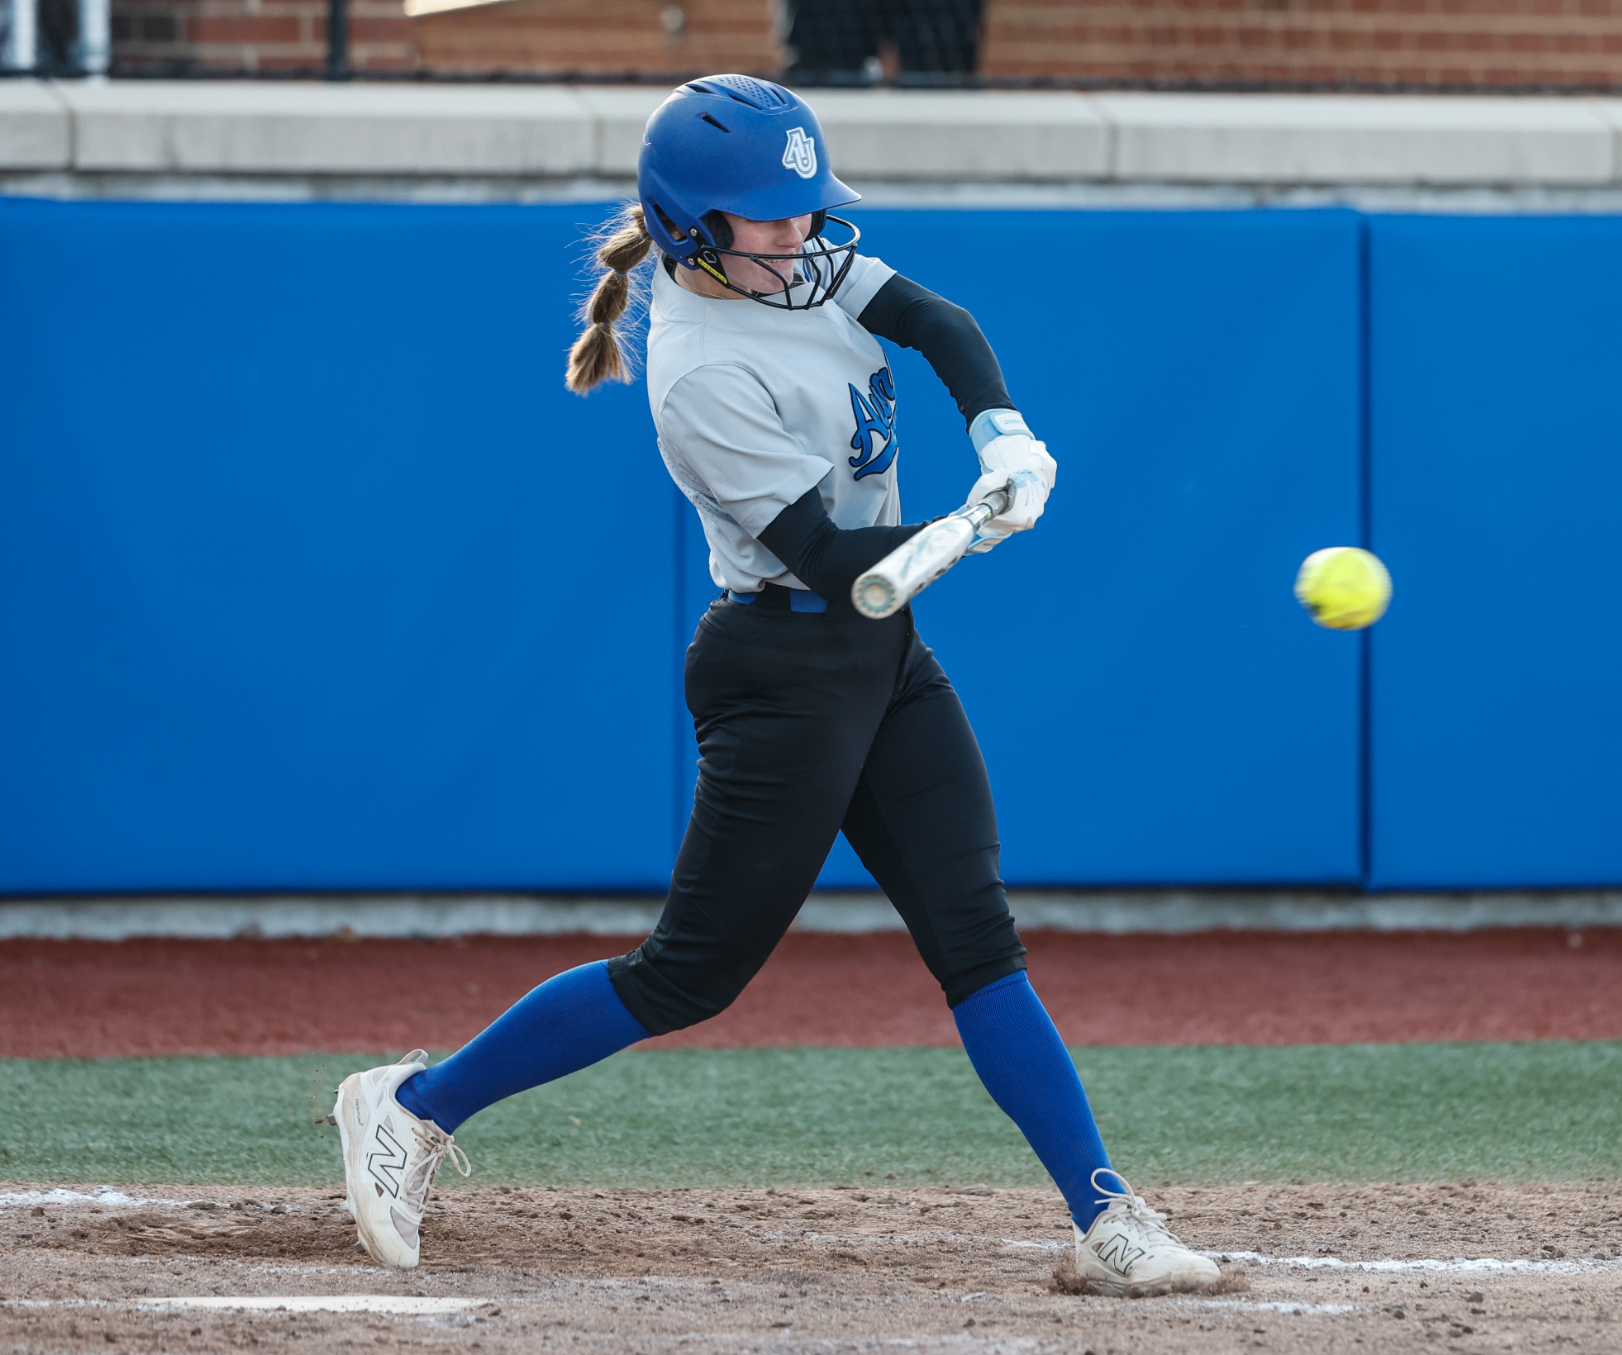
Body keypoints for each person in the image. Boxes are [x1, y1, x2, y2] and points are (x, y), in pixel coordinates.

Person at [333, 73, 1219, 1299]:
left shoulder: (800, 267)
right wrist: (974, 524)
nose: (801, 232)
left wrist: (1000, 431)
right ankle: (414, 1105)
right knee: (686, 974)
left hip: (882, 651)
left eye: (807, 206)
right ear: (694, 227)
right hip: (782, 663)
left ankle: (1106, 1213)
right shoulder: (697, 370)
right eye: (768, 214)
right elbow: (835, 561)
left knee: (975, 932)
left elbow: (938, 320)